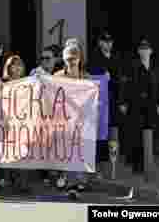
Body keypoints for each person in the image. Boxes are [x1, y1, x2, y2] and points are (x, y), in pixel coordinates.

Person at [120, 38, 159, 177]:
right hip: (136, 105)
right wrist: (123, 102)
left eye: (147, 49)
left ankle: (149, 163)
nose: (144, 51)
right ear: (138, 51)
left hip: (151, 106)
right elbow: (125, 86)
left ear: (151, 51)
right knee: (136, 135)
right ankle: (137, 165)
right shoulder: (132, 66)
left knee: (150, 133)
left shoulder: (157, 68)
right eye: (142, 49)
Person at [54, 40, 91, 199]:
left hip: (82, 120)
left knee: (80, 151)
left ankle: (79, 180)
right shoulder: (57, 76)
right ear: (64, 59)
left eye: (74, 57)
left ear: (80, 58)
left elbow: (92, 98)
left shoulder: (86, 76)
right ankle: (71, 184)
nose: (72, 60)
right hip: (64, 120)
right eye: (69, 58)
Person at [88, 31, 126, 178]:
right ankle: (99, 168)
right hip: (100, 103)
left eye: (110, 41)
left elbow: (122, 80)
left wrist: (122, 101)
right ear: (99, 43)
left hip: (114, 102)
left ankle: (113, 168)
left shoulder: (117, 57)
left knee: (113, 136)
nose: (108, 44)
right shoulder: (93, 58)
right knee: (100, 136)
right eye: (104, 41)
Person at [1, 54, 30, 194]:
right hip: (6, 121)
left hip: (22, 123)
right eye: (14, 64)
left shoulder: (28, 83)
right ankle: (7, 181)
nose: (17, 67)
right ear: (9, 67)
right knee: (7, 152)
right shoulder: (3, 83)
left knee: (22, 152)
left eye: (20, 64)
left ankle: (22, 183)